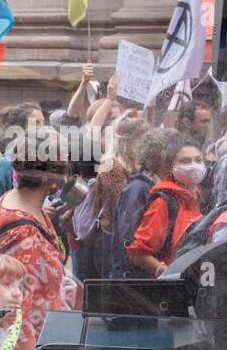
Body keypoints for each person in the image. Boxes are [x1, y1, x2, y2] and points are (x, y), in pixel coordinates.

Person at [0, 127, 79, 350]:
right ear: (55, 176)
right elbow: (16, 318)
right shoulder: (23, 236)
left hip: (49, 339)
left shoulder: (22, 204)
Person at [127, 133, 206, 276]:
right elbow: (139, 253)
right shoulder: (164, 203)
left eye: (198, 160)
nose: (194, 166)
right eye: (185, 161)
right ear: (171, 167)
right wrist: (169, 274)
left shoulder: (202, 199)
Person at [81, 114, 149, 279]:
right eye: (144, 140)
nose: (147, 146)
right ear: (128, 141)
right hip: (109, 241)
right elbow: (123, 206)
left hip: (123, 238)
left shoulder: (133, 164)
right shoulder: (112, 166)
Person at [107, 127, 175, 279]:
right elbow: (129, 239)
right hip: (132, 280)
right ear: (160, 157)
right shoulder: (138, 188)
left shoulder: (158, 186)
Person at [0, 101, 44, 205]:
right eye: (36, 123)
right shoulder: (3, 166)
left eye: (43, 123)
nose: (42, 128)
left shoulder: (41, 163)